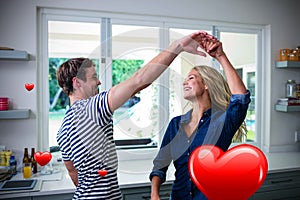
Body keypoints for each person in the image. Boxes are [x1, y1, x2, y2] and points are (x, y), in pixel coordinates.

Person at [56, 31, 210, 199]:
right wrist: (178, 46)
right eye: (93, 77)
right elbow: (139, 80)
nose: (99, 82)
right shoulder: (92, 107)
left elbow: (73, 173)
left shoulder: (63, 128)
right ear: (76, 82)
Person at [149, 32, 251, 200]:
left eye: (191, 78)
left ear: (206, 85)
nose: (184, 83)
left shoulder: (222, 121)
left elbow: (240, 98)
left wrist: (220, 56)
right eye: (185, 79)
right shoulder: (176, 124)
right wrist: (155, 194)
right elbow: (161, 163)